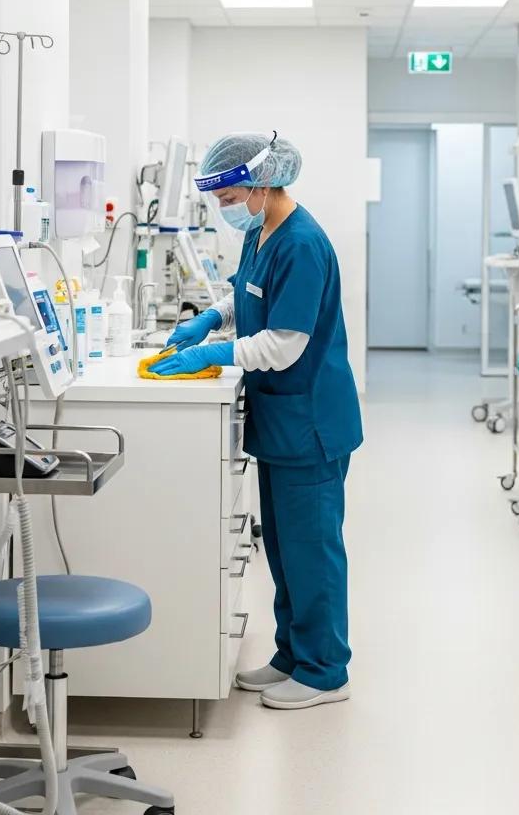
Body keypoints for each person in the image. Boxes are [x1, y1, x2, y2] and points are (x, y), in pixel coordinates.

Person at [150, 132, 363, 710]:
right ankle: (292, 656)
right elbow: (247, 296)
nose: (224, 210)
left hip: (311, 420)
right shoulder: (264, 230)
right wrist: (211, 319)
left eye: (229, 198)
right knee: (285, 550)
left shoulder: (302, 243)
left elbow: (285, 343)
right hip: (283, 421)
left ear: (262, 185)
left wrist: (211, 354)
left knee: (312, 551)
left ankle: (325, 672)